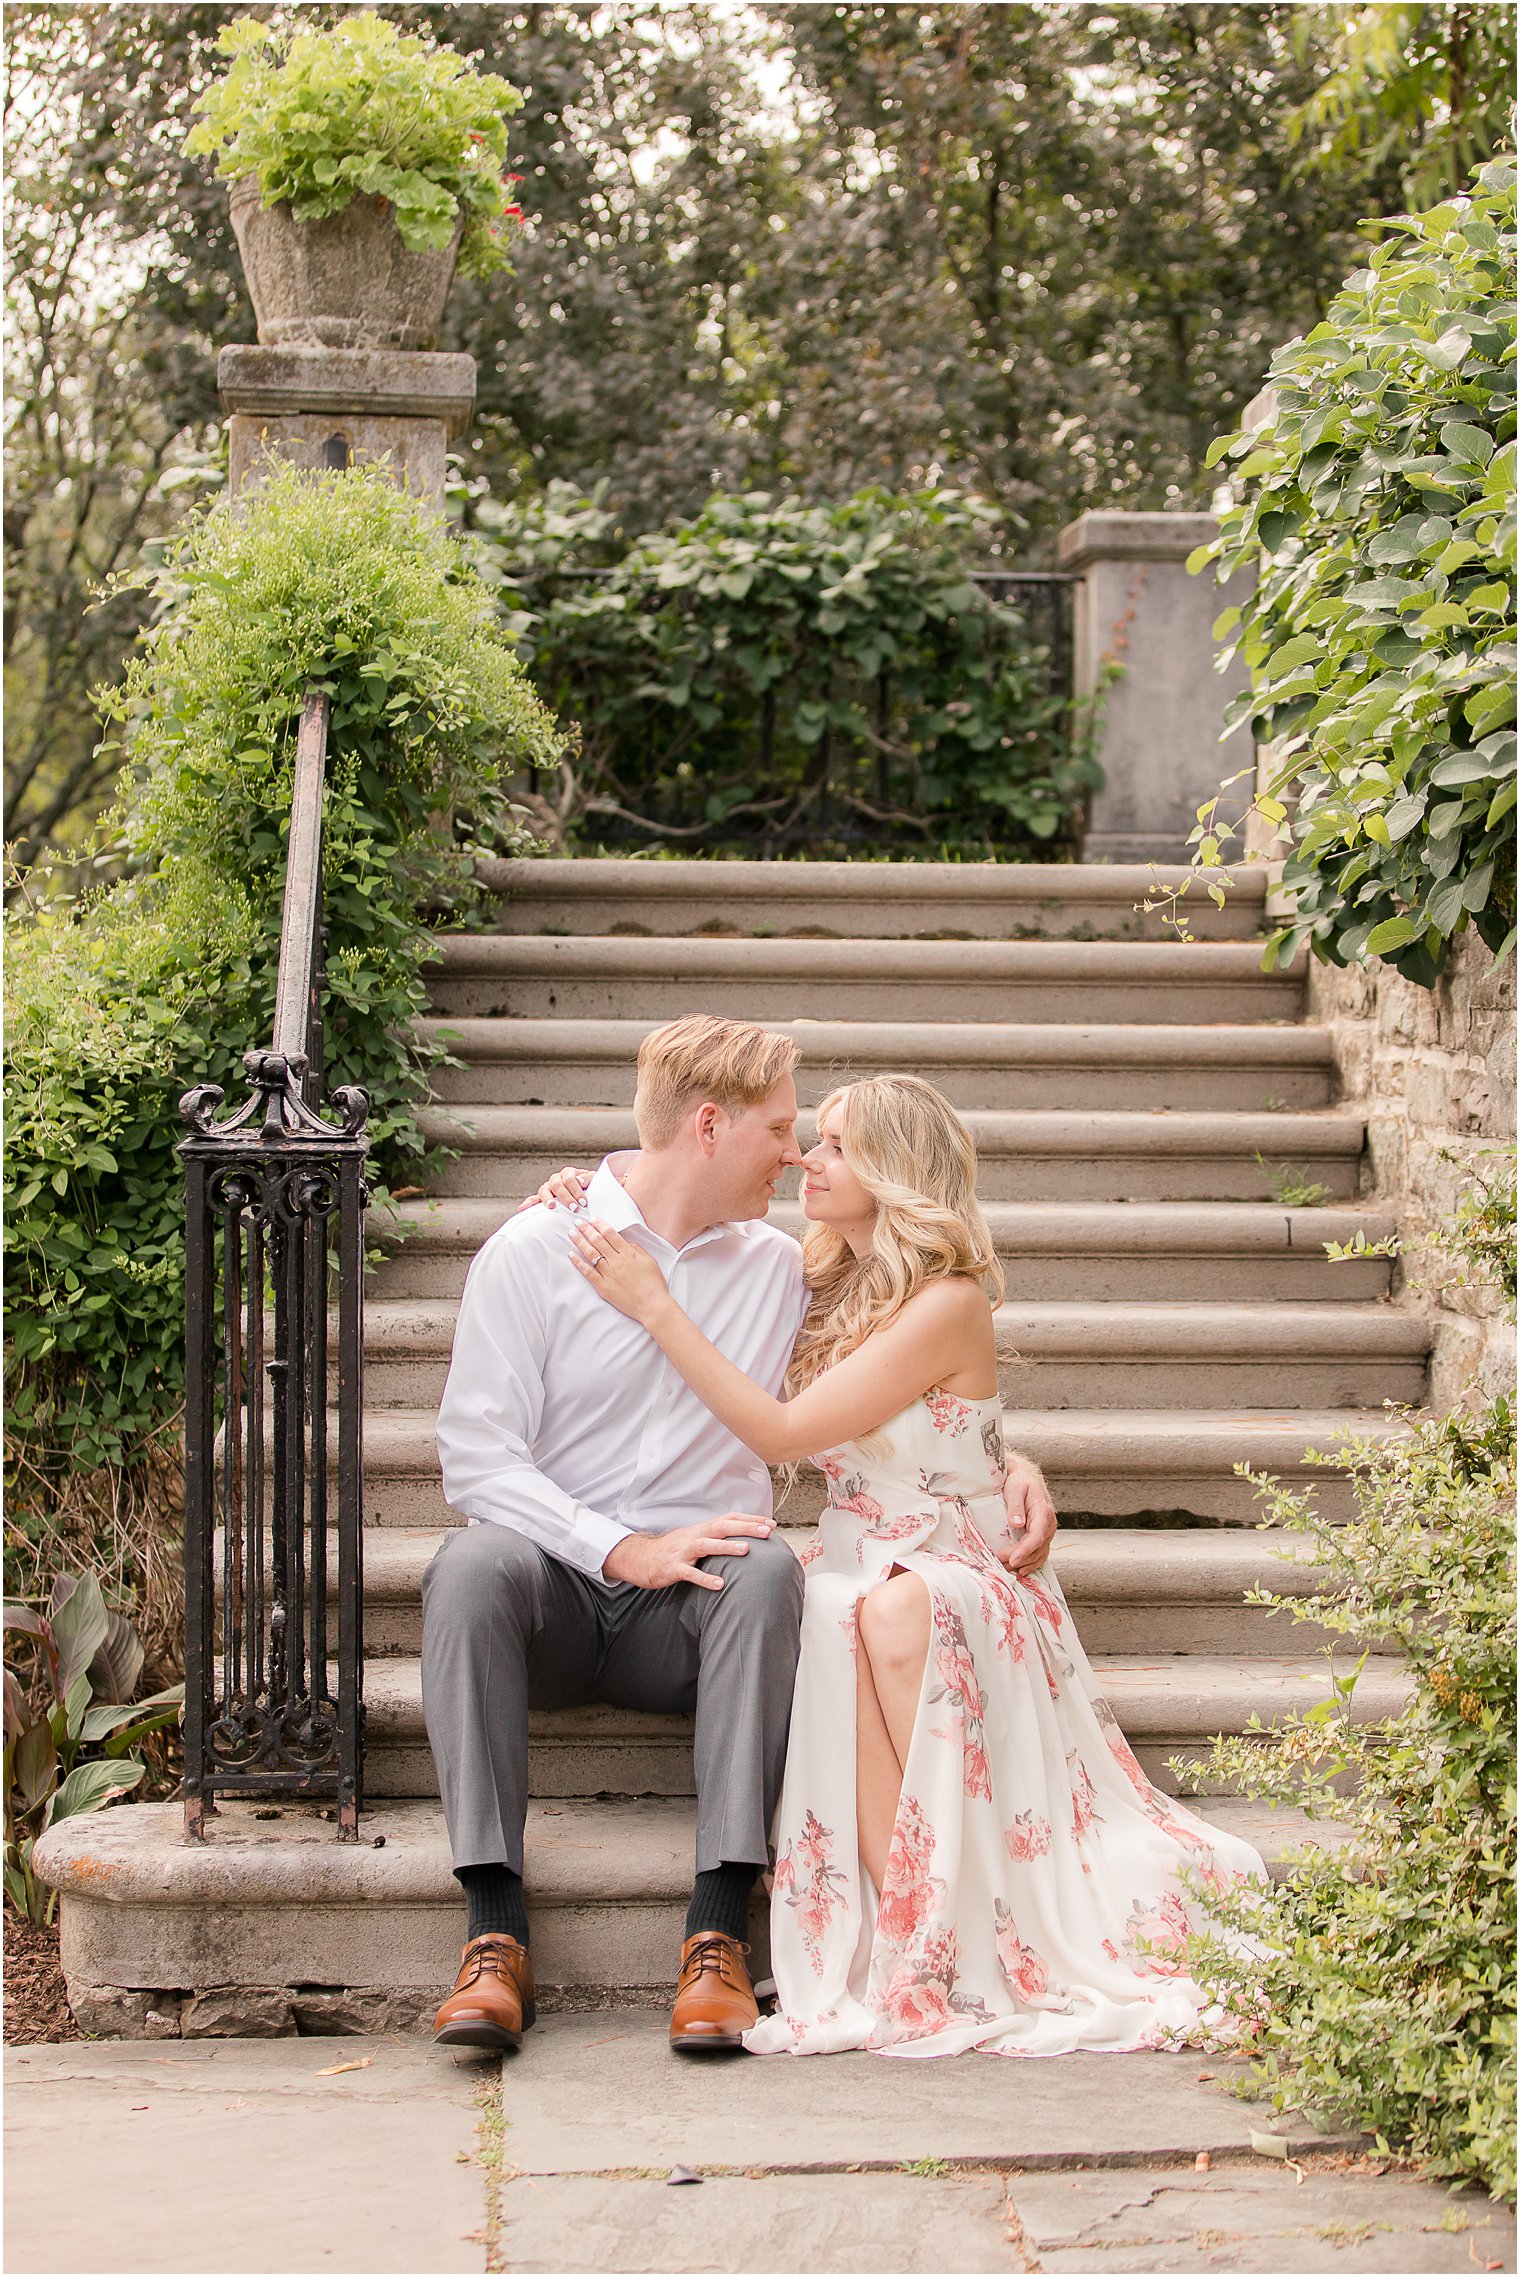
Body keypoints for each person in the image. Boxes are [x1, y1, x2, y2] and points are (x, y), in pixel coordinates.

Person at [567, 1071, 1267, 2058]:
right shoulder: (814, 1282)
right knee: (840, 1603)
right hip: (866, 1557)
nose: (809, 1158)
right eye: (813, 1138)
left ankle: (951, 1931)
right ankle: (915, 1932)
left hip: (963, 1570)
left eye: (839, 1145)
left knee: (882, 1609)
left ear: (894, 1172)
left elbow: (776, 1432)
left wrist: (654, 1305)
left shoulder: (945, 1302)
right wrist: (583, 1195)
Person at [422, 1017, 1058, 2053]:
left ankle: (717, 1932)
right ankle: (493, 1935)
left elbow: (911, 1373)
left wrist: (1005, 1469)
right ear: (707, 1125)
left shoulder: (785, 1271)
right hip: (558, 1594)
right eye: (780, 1129)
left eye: (814, 1139)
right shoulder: (537, 1250)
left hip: (697, 1607)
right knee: (469, 1565)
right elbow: (476, 1463)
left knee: (768, 1574)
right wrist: (615, 1547)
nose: (798, 1152)